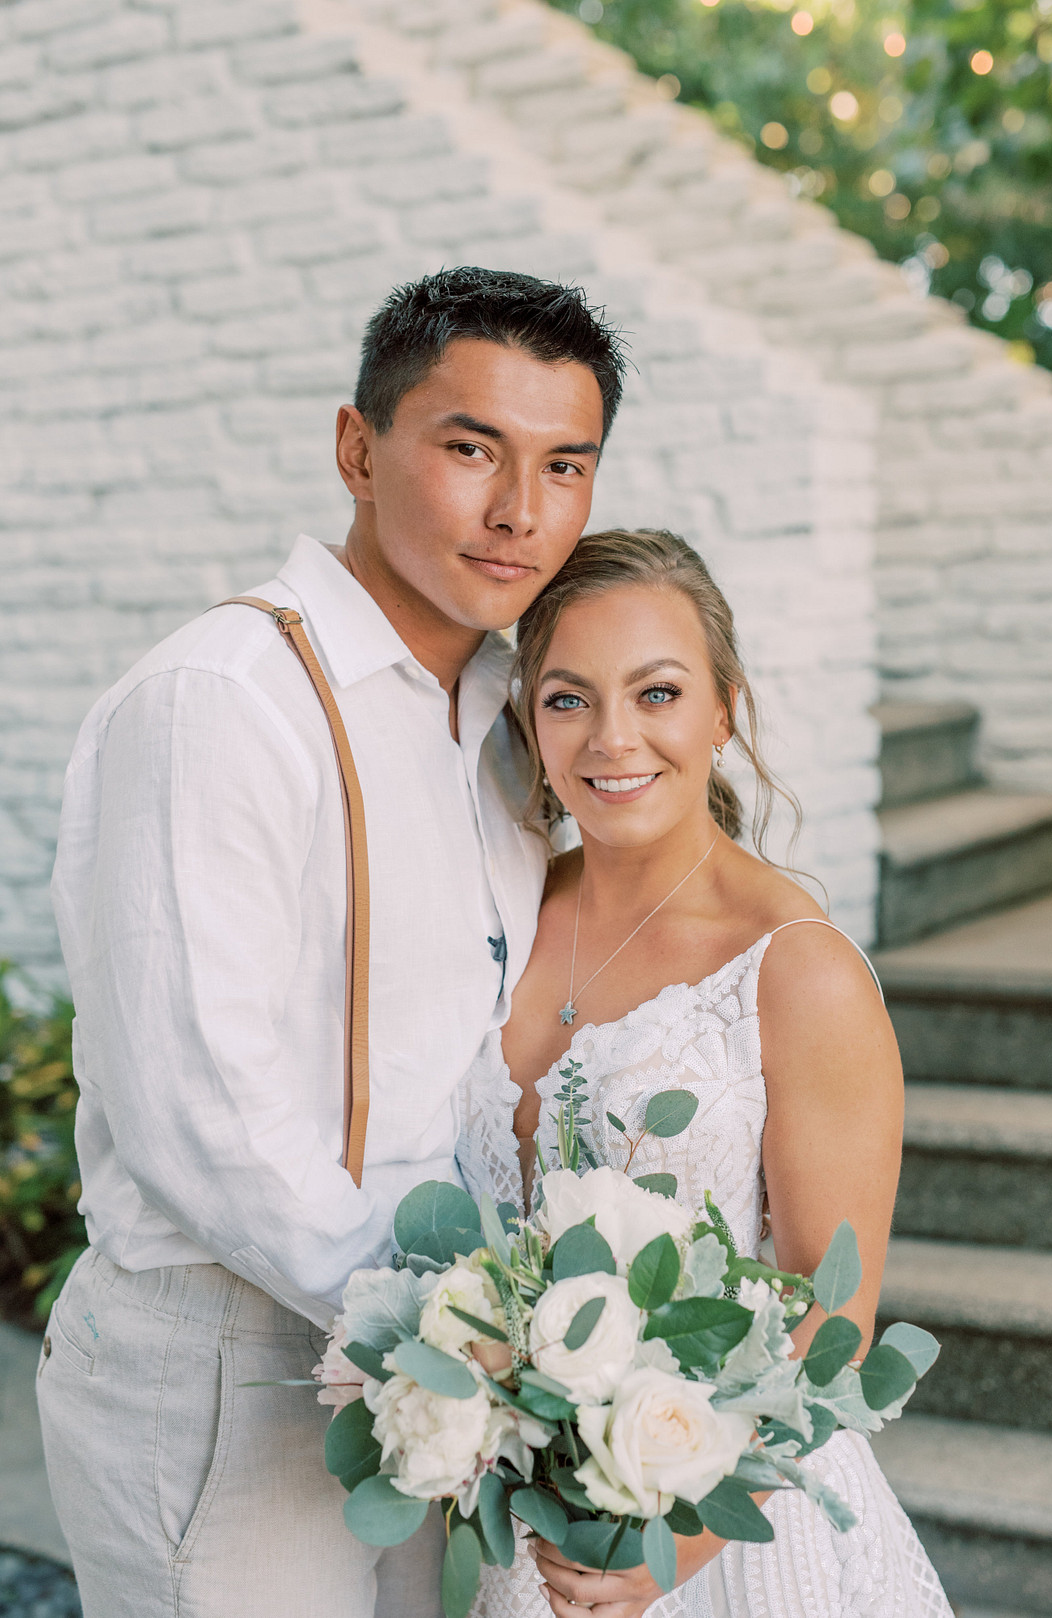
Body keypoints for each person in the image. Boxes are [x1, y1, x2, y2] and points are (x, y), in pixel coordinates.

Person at [39, 267, 626, 1618]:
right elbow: (201, 1111)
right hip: (235, 1363)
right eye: (471, 448)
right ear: (359, 448)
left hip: (450, 1365)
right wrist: (466, 1327)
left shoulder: (504, 720)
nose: (517, 510)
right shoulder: (223, 699)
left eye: (564, 467)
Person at [458, 529, 953, 1618]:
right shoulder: (503, 910)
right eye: (568, 699)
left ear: (724, 708)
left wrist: (677, 1535)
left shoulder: (797, 968)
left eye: (659, 692)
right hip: (520, 1525)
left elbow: (836, 1321)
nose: (613, 738)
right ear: (528, 718)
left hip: (722, 1527)